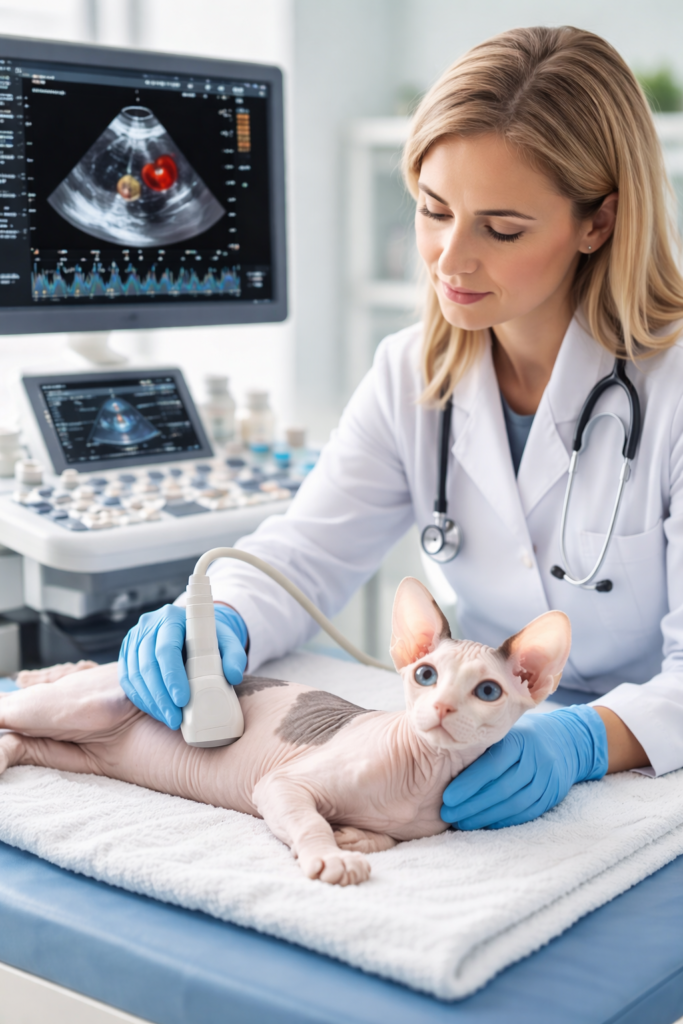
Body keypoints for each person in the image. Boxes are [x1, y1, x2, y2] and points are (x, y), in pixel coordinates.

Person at [119, 25, 683, 829]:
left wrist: (581, 742)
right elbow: (306, 555)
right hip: (474, 747)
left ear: (596, 223)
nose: (449, 260)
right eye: (433, 210)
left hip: (651, 768)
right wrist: (222, 619)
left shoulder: (672, 388)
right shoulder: (412, 371)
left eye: (501, 228)